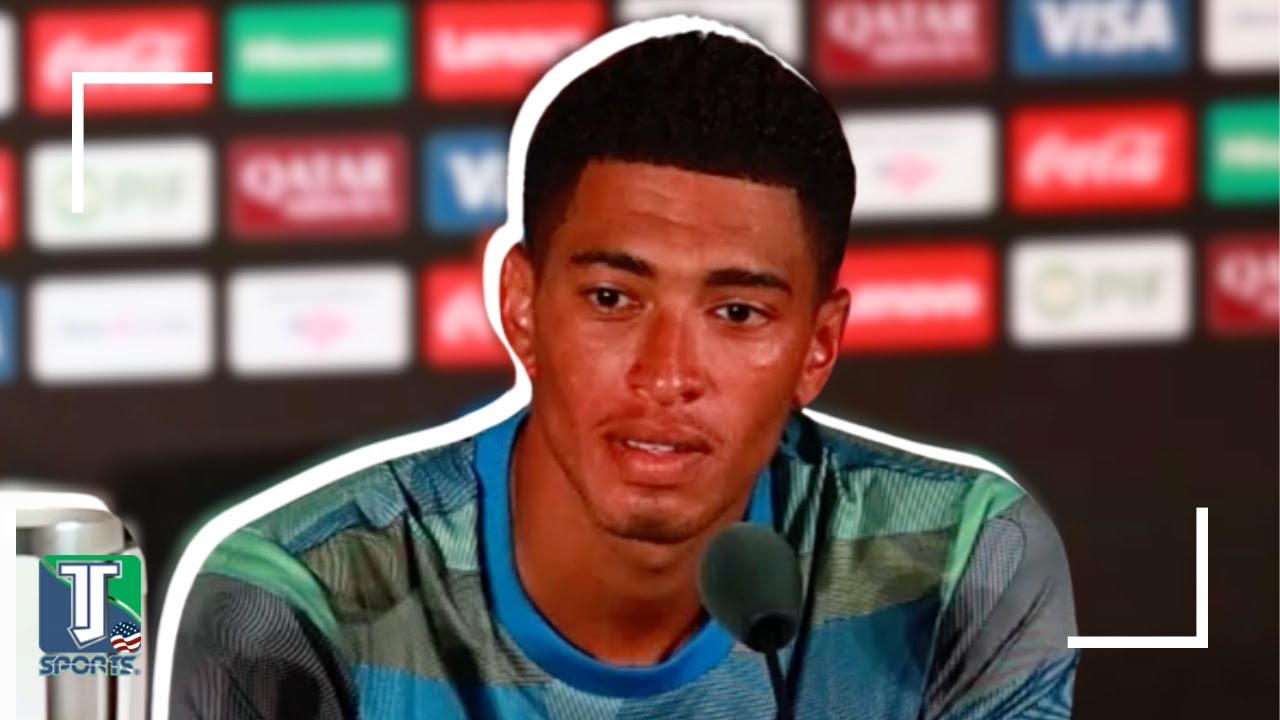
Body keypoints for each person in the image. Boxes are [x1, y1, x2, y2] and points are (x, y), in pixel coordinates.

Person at [169, 22, 1078, 720]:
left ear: (818, 348)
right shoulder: (296, 600)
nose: (667, 375)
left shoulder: (960, 561)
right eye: (612, 298)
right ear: (520, 306)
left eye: (737, 314)